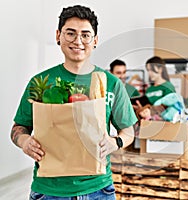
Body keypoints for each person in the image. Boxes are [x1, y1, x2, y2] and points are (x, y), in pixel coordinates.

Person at [10, 5, 137, 199]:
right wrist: (24, 141)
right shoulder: (39, 82)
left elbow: (128, 132)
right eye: (70, 33)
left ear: (95, 41)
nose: (78, 41)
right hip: (49, 190)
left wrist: (116, 142)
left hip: (99, 189)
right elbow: (18, 128)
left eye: (85, 35)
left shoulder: (111, 83)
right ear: (58, 35)